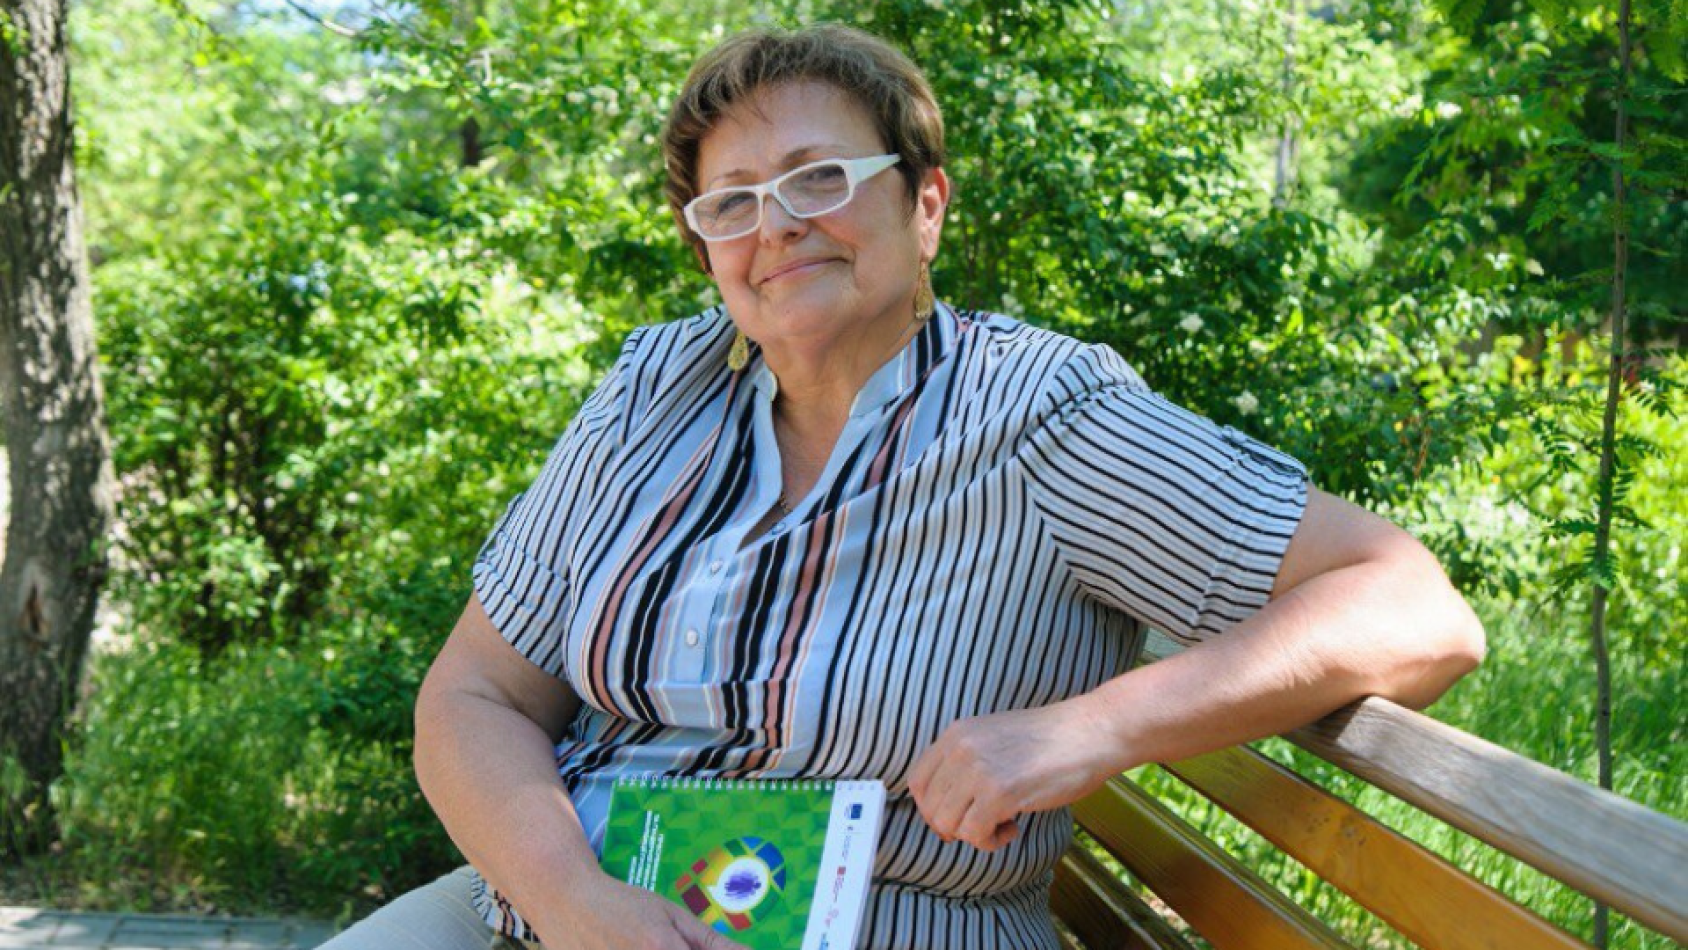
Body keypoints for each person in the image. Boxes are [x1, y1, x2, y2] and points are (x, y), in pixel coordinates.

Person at [320, 24, 1486, 950]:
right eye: (730, 202)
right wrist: (572, 899)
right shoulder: (651, 392)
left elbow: (1411, 605)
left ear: (922, 204)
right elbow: (473, 695)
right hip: (547, 908)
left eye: (817, 178)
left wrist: (1087, 730)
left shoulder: (1037, 412)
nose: (774, 227)